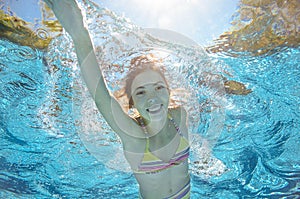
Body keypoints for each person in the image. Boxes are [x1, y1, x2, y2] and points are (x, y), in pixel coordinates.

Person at [44, 0, 190, 198]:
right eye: (141, 92)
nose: (153, 98)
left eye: (158, 87)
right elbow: (100, 94)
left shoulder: (180, 117)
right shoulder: (134, 137)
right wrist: (79, 33)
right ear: (132, 102)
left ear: (168, 91)